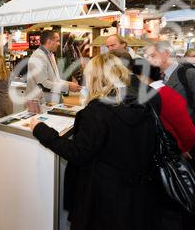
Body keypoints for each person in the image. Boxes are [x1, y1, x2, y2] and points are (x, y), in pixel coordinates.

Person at [29, 53, 159, 230]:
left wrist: (41, 130)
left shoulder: (98, 110)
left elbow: (79, 153)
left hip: (101, 198)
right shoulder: (144, 102)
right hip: (137, 197)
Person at [145, 41, 195, 199]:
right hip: (173, 146)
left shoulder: (192, 76)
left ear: (166, 54)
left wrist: (191, 144)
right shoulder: (159, 78)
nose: (148, 59)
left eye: (152, 55)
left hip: (191, 146)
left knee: (192, 190)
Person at [26, 30, 80, 104]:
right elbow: (44, 85)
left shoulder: (50, 55)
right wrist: (68, 87)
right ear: (49, 41)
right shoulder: (38, 56)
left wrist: (69, 84)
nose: (59, 44)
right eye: (57, 41)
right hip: (38, 102)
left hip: (50, 100)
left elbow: (55, 80)